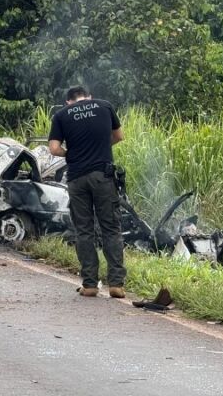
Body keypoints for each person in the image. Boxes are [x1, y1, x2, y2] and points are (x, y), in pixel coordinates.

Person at [48, 86, 125, 298]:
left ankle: (90, 285)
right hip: (103, 176)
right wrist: (99, 145)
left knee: (84, 230)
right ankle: (116, 284)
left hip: (77, 178)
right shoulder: (104, 106)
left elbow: (54, 148)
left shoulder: (61, 115)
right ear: (88, 97)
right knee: (110, 228)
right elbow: (119, 136)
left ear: (68, 102)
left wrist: (72, 153)